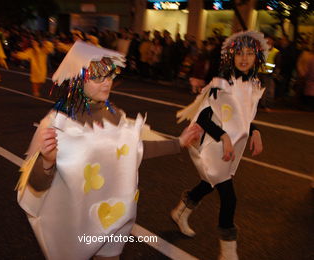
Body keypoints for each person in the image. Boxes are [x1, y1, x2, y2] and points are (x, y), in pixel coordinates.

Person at [15, 41, 202, 260]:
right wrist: (47, 161)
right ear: (78, 79)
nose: (107, 84)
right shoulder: (58, 121)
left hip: (114, 216)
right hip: (77, 220)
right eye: (97, 78)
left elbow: (134, 150)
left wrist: (178, 143)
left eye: (110, 76)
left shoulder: (115, 114)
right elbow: (36, 185)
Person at [172, 31, 267, 260]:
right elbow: (204, 118)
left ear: (257, 57)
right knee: (228, 196)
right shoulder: (220, 84)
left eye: (249, 54)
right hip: (213, 145)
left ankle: (180, 212)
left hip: (230, 146)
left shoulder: (252, 83)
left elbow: (243, 116)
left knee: (209, 183)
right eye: (239, 53)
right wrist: (224, 137)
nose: (244, 58)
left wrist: (255, 131)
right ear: (229, 57)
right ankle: (228, 253)